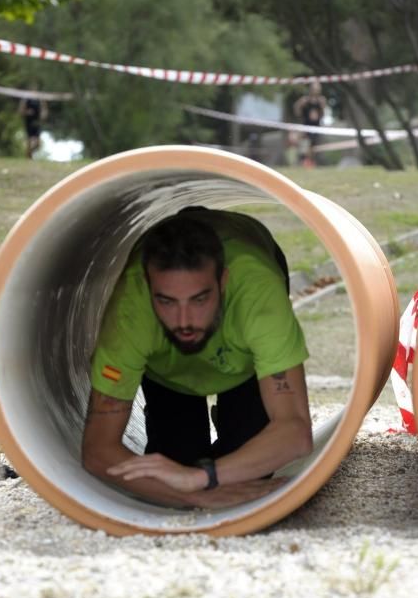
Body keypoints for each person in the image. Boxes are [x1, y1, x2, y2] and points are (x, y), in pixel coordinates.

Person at [81, 207, 314, 509]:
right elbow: (97, 450)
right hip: (168, 374)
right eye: (166, 301)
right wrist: (192, 494)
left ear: (224, 281)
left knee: (247, 471)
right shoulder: (130, 313)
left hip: (244, 367)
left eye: (200, 299)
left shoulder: (259, 293)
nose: (184, 321)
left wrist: (201, 477)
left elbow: (295, 433)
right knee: (174, 467)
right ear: (147, 287)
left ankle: (235, 417)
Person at [292, 81, 327, 167]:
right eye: (315, 88)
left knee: (313, 146)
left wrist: (322, 107)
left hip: (316, 127)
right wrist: (300, 105)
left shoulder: (321, 100)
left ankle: (309, 162)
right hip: (306, 126)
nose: (316, 90)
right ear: (311, 89)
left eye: (318, 88)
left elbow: (322, 115)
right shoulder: (305, 100)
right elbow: (297, 112)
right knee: (305, 145)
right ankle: (304, 162)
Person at [18, 93, 48, 159]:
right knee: (30, 141)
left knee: (37, 144)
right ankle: (29, 158)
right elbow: (20, 111)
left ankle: (29, 154)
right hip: (29, 123)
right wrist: (27, 112)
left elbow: (44, 111)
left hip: (37, 123)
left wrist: (43, 115)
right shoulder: (26, 99)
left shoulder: (40, 99)